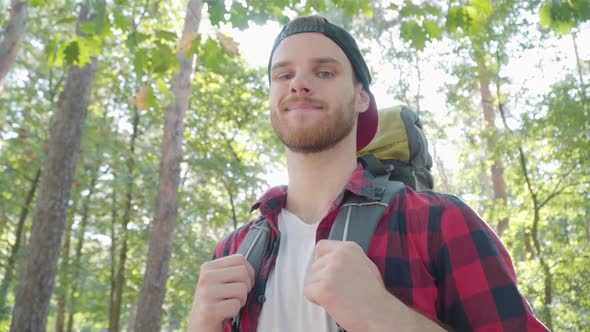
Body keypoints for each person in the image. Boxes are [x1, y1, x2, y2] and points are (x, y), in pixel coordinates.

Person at [187, 15, 549, 332]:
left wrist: (386, 317)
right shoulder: (233, 250)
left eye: (324, 71)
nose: (299, 83)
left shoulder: (439, 222)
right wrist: (199, 326)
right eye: (284, 74)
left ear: (362, 97)